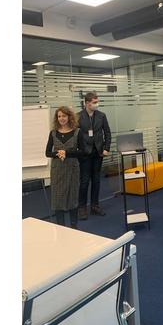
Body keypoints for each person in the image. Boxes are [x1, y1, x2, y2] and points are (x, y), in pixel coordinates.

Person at [45, 106, 87, 229]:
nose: (61, 118)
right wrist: (58, 154)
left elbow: (83, 151)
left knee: (72, 197)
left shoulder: (77, 132)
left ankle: (74, 227)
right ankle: (61, 228)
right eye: (59, 116)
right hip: (57, 170)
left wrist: (67, 153)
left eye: (64, 116)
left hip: (72, 168)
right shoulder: (53, 133)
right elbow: (47, 153)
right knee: (58, 199)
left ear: (69, 117)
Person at [76, 92, 112, 220]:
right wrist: (78, 150)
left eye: (97, 102)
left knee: (96, 180)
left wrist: (106, 148)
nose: (97, 104)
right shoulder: (78, 116)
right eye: (94, 102)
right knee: (84, 181)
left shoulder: (101, 116)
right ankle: (82, 208)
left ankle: (95, 206)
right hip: (84, 154)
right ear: (87, 103)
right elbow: (75, 135)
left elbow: (107, 133)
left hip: (98, 152)